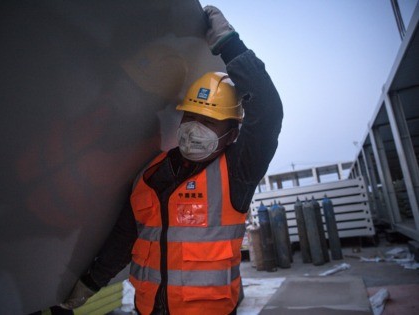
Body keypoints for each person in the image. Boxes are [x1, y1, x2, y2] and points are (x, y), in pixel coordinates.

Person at [61, 5, 283, 315]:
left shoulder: (237, 171)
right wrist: (89, 284)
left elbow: (269, 111)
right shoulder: (152, 173)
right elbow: (125, 238)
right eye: (190, 116)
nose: (195, 128)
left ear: (232, 134)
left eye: (210, 121)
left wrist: (229, 44)